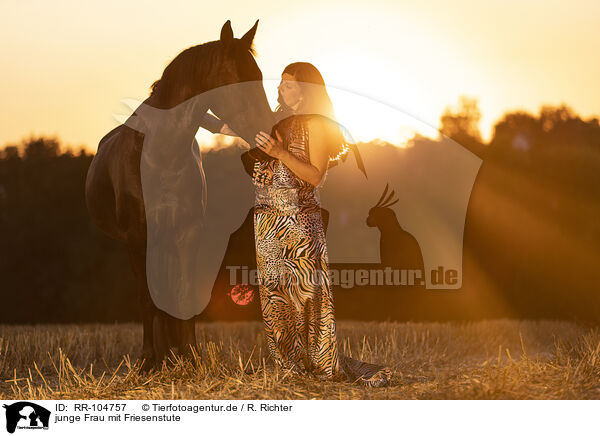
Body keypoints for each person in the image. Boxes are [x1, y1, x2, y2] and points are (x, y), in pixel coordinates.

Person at [238, 62, 391, 387]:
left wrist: (279, 152)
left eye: (288, 85)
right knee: (274, 300)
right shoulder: (278, 122)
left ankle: (319, 369)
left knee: (305, 297)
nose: (280, 89)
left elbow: (314, 175)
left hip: (299, 222)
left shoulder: (318, 125)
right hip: (265, 222)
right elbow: (232, 132)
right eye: (280, 84)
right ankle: (289, 370)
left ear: (306, 91)